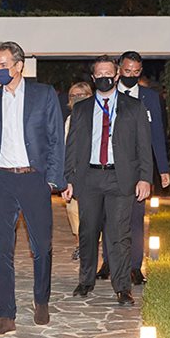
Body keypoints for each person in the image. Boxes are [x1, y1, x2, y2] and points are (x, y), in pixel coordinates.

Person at [0, 41, 66, 336]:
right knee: (2, 250)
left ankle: (41, 301)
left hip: (33, 178)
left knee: (41, 247)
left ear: (19, 65)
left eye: (3, 64)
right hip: (1, 181)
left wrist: (52, 179)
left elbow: (56, 138)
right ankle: (6, 314)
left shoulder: (44, 95)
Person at [62, 55, 152, 306]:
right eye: (99, 75)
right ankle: (86, 280)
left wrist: (145, 178)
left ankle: (122, 287)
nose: (104, 78)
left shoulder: (134, 107)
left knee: (119, 234)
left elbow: (144, 146)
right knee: (88, 231)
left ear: (117, 75)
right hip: (89, 178)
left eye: (108, 74)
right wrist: (68, 179)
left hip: (120, 178)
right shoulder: (81, 109)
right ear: (93, 78)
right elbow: (72, 147)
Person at [95, 51, 170, 285]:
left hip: (138, 169)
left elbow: (157, 135)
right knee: (108, 217)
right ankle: (108, 262)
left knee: (136, 219)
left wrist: (163, 169)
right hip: (110, 167)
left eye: (136, 72)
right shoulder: (108, 95)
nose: (131, 75)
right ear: (119, 70)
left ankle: (135, 266)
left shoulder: (150, 97)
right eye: (127, 71)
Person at [64, 81, 93, 262]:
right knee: (73, 210)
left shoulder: (96, 116)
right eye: (73, 96)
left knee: (92, 212)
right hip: (74, 173)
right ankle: (80, 244)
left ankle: (91, 244)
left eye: (81, 95)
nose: (76, 99)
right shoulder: (69, 119)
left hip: (92, 172)